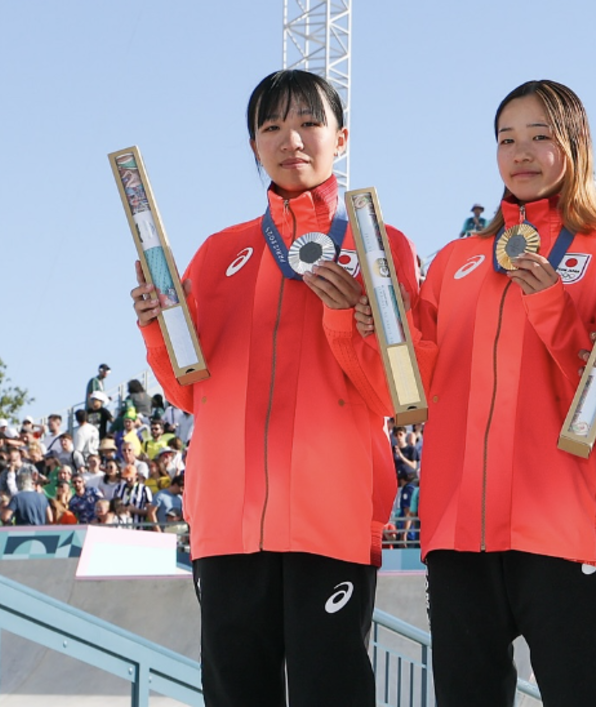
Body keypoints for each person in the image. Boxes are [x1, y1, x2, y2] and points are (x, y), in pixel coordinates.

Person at [130, 69, 422, 707]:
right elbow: (191, 392)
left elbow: (398, 395)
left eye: (308, 123)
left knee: (331, 688)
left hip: (331, 514)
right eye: (271, 127)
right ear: (254, 146)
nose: (291, 139)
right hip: (227, 521)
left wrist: (348, 322)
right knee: (235, 691)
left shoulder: (379, 246)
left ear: (341, 138)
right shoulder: (218, 253)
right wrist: (159, 330)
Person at [363, 79, 596, 706]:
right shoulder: (455, 261)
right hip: (456, 531)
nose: (521, 152)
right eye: (506, 139)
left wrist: (552, 301)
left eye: (540, 136)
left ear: (574, 145)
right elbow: (410, 388)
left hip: (560, 528)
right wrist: (366, 326)